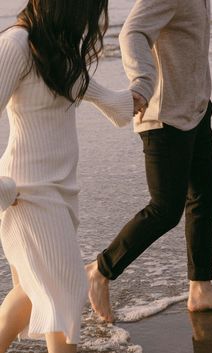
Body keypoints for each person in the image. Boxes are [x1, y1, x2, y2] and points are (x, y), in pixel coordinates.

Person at [86, 0, 212, 323]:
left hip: (195, 109)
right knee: (165, 209)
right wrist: (142, 81)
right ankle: (101, 270)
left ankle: (200, 289)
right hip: (164, 118)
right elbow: (132, 32)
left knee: (205, 198)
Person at [0, 1, 135, 352]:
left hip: (61, 193)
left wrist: (144, 90)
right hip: (26, 195)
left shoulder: (56, 50)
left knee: (32, 293)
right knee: (67, 289)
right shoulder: (16, 44)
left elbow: (112, 101)